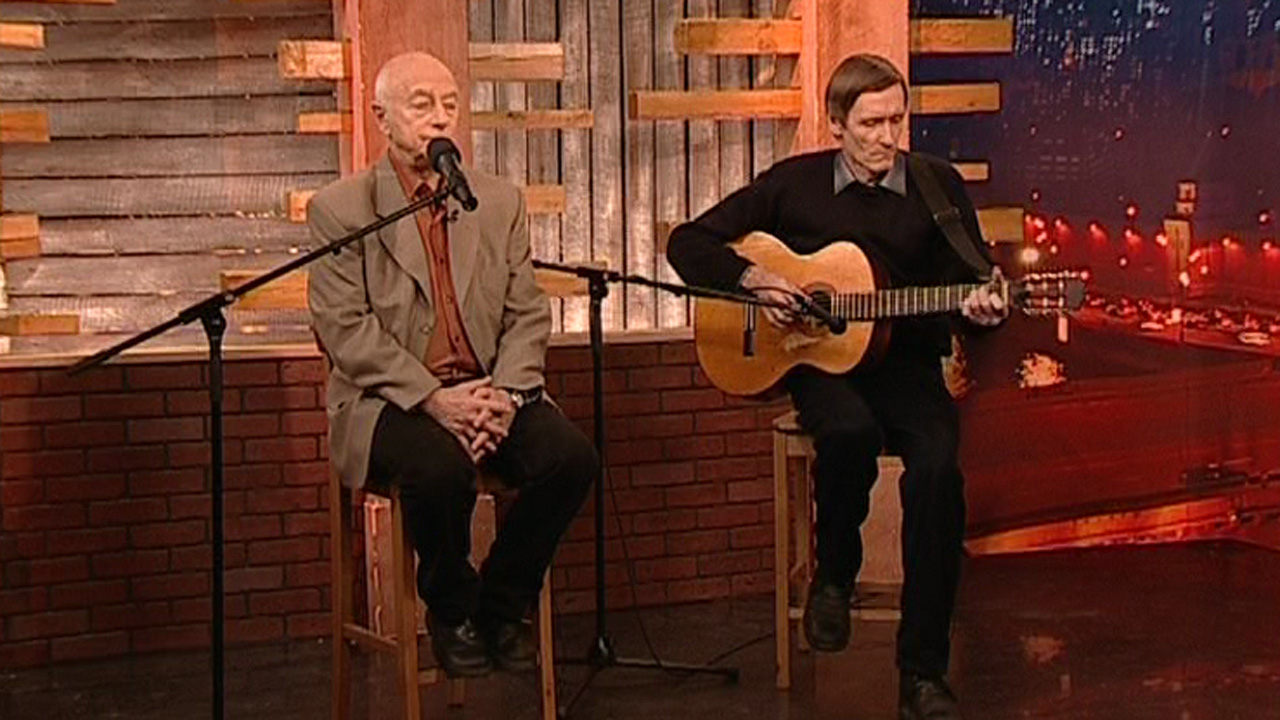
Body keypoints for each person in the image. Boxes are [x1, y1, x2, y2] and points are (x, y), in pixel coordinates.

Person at [666, 54, 1007, 720]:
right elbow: (688, 242)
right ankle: (834, 574)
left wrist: (984, 311)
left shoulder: (935, 185)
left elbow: (971, 283)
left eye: (896, 120)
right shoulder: (793, 185)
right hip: (817, 364)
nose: (887, 137)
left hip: (908, 368)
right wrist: (755, 281)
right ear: (837, 124)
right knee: (848, 431)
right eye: (871, 123)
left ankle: (922, 674)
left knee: (938, 474)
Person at [307, 52, 595, 678]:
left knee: (570, 458)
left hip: (490, 388)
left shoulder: (496, 201)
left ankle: (500, 606)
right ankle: (451, 609)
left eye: (449, 105)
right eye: (421, 105)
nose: (440, 119)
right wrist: (436, 400)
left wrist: (507, 397)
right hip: (390, 398)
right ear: (382, 117)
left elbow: (526, 313)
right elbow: (346, 331)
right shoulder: (341, 209)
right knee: (438, 467)